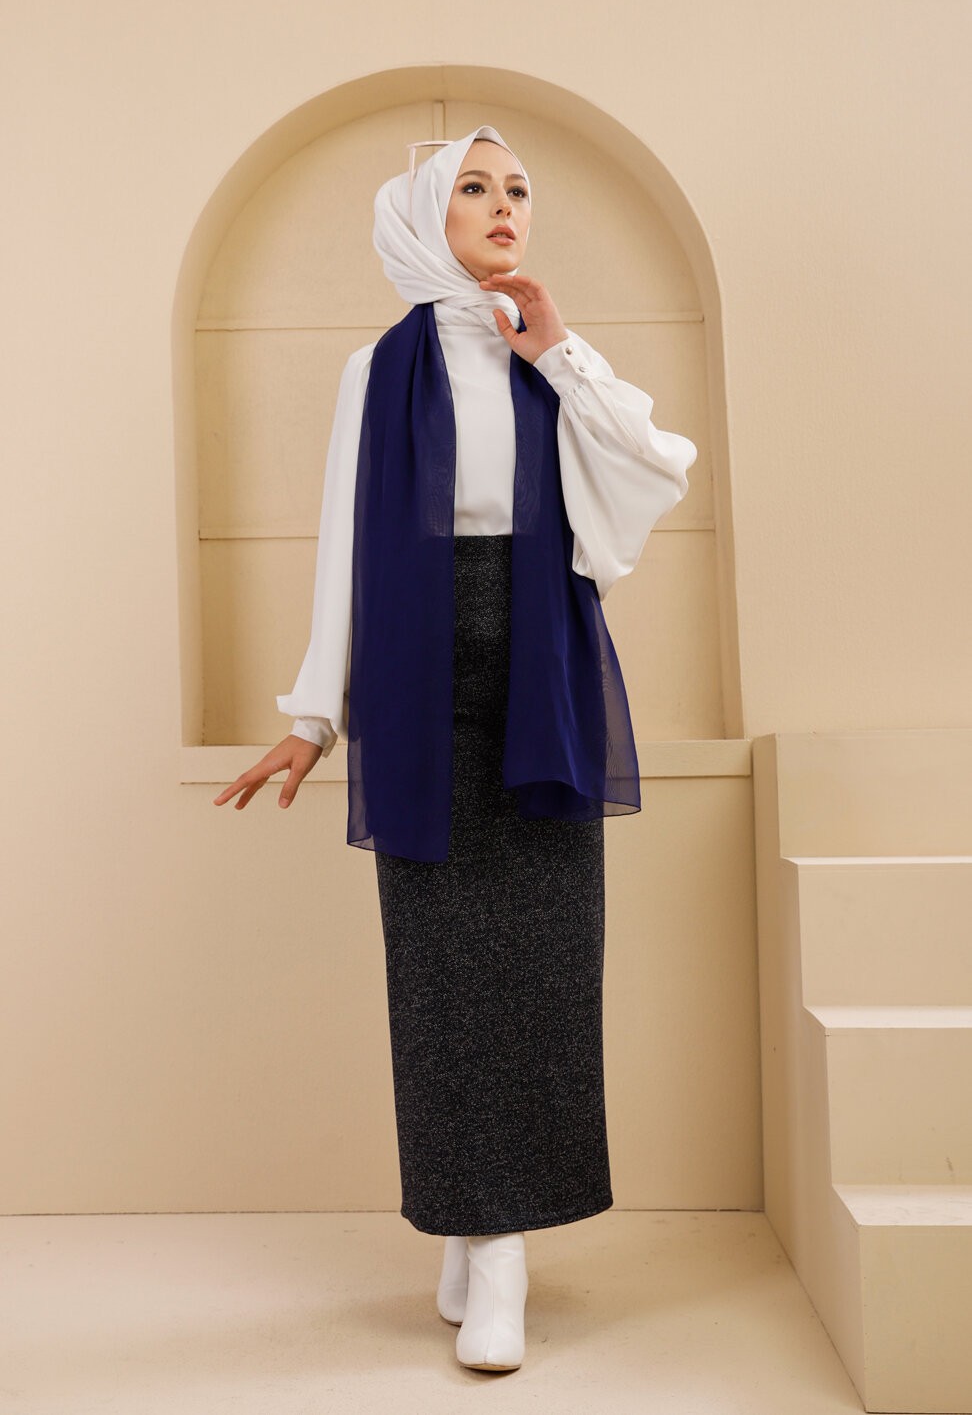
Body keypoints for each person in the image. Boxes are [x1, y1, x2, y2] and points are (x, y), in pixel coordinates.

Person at [214, 124, 697, 1372]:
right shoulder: (378, 371)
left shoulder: (547, 350)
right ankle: (481, 1235)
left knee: (541, 968)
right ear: (425, 214)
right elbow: (346, 543)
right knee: (439, 980)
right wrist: (312, 716)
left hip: (544, 671)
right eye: (474, 187)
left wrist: (560, 350)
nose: (502, 206)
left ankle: (494, 1241)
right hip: (416, 679)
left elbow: (658, 470)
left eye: (517, 189)